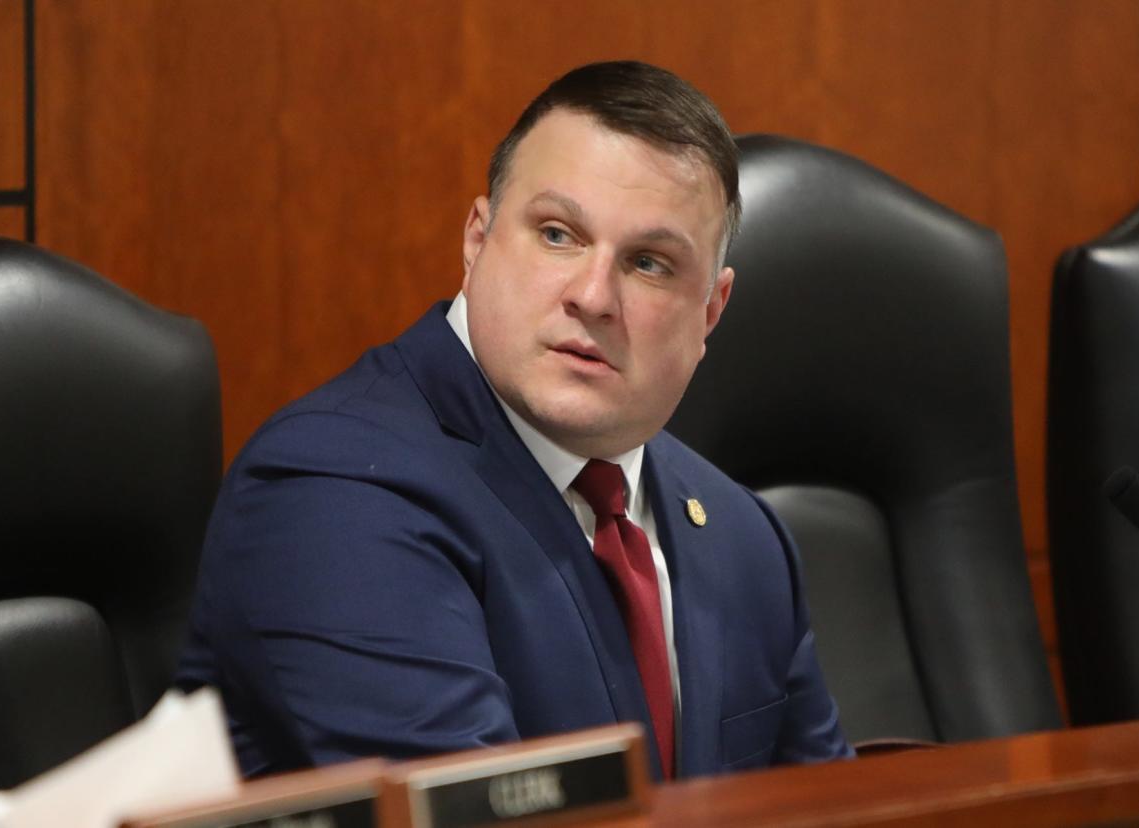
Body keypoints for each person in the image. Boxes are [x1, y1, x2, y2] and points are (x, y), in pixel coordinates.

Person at [176, 60, 851, 780]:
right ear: (477, 238)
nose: (593, 296)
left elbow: (840, 808)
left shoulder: (745, 537)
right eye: (558, 234)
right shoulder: (334, 490)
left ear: (710, 311)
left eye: (649, 264)